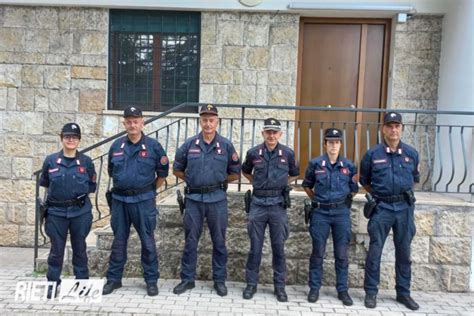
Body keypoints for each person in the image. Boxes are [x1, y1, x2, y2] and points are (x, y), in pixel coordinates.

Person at [172, 104, 241, 297]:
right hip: (193, 199)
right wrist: (193, 181)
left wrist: (217, 183)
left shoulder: (226, 145)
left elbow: (235, 173)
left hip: (217, 200)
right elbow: (177, 169)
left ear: (217, 121)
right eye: (204, 119)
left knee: (219, 242)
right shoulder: (189, 144)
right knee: (190, 242)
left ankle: (219, 281)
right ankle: (187, 280)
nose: (208, 123)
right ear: (200, 121)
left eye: (211, 120)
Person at [103, 106, 169, 296]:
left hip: (143, 201)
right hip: (120, 201)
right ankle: (114, 280)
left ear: (142, 122)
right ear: (124, 123)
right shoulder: (116, 146)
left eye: (136, 121)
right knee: (118, 242)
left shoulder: (153, 147)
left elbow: (162, 175)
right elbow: (111, 171)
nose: (132, 125)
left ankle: (151, 281)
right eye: (129, 121)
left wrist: (147, 191)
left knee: (147, 242)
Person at [360, 112, 420, 310]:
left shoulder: (411, 154)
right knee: (375, 251)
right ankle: (371, 292)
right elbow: (365, 181)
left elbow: (415, 180)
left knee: (404, 252)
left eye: (397, 126)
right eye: (390, 126)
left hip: (404, 209)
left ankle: (403, 293)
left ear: (401, 128)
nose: (393, 130)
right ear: (383, 129)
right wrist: (381, 195)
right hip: (382, 208)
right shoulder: (372, 154)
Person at [241, 118, 299, 302]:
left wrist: (280, 184)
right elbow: (246, 171)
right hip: (258, 203)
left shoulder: (288, 154)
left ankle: (279, 287)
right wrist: (257, 184)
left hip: (277, 205)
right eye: (268, 132)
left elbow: (295, 173)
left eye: (275, 132)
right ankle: (251, 284)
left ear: (280, 134)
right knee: (255, 248)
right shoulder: (253, 153)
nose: (271, 135)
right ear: (263, 133)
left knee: (278, 248)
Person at [39, 123, 97, 298]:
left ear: (79, 140)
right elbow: (45, 185)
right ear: (61, 138)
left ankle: (82, 283)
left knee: (80, 248)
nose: (70, 140)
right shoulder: (50, 161)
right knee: (56, 250)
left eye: (74, 137)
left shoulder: (86, 162)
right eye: (67, 137)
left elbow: (91, 186)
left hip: (80, 212)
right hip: (56, 212)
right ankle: (52, 283)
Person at [302, 128, 358, 305]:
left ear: (340, 144)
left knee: (341, 253)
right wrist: (319, 201)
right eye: (330, 142)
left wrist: (340, 202)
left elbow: (354, 189)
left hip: (341, 214)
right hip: (320, 213)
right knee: (318, 252)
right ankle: (314, 288)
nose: (333, 145)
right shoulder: (315, 164)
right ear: (325, 144)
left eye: (336, 142)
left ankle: (342, 290)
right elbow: (307, 186)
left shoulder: (349, 166)